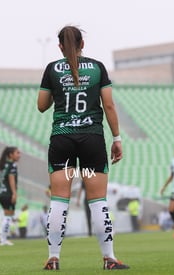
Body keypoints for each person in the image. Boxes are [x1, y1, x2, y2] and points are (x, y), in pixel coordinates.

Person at [37, 25, 129, 270]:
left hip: (62, 140)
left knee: (59, 200)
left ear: (60, 47)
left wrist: (61, 89)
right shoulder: (98, 68)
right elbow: (108, 106)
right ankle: (109, 258)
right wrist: (117, 138)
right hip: (91, 139)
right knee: (98, 201)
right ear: (82, 45)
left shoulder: (52, 69)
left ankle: (53, 258)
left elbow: (41, 105)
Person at [0, 146, 21, 246]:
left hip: (1, 193)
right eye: (17, 153)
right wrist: (14, 193)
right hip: (8, 193)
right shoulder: (12, 165)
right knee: (9, 216)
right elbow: (11, 179)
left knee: (7, 215)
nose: (19, 155)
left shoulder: (4, 165)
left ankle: (2, 236)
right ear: (11, 155)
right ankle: (2, 237)